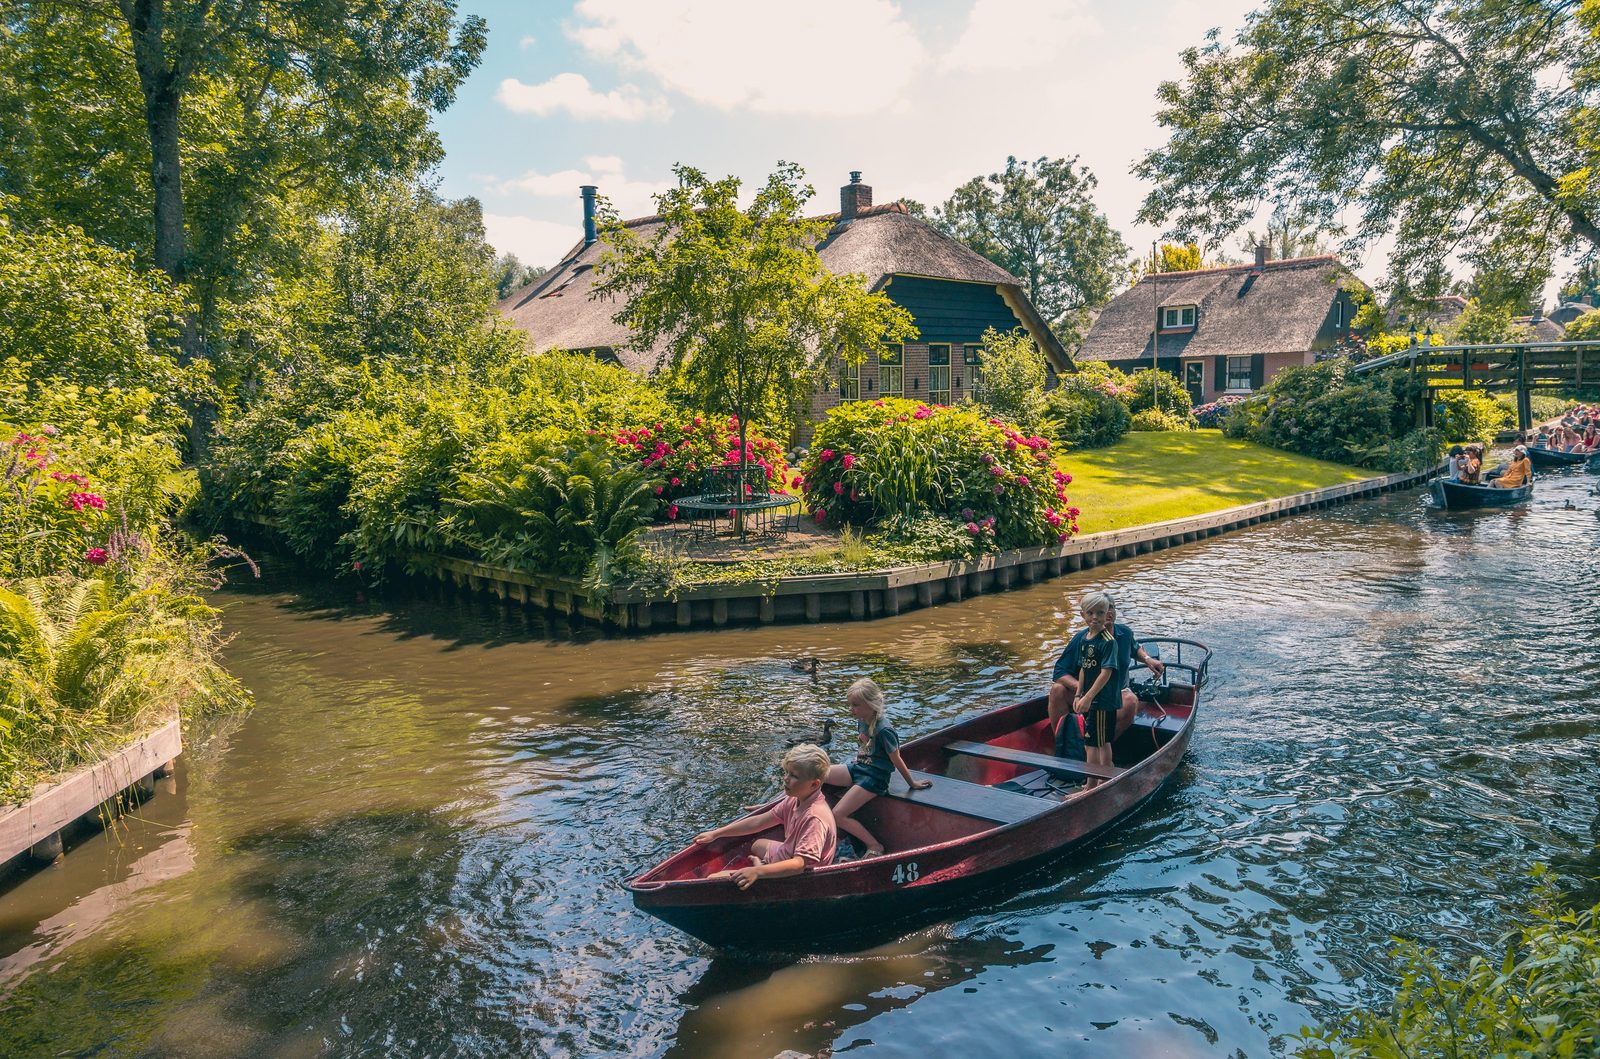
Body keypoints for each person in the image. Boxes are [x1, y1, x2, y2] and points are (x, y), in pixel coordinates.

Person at [695, 743, 836, 889]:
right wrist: (717, 833)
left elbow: (799, 864)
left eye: (794, 776)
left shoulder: (814, 818)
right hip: (788, 853)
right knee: (757, 845)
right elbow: (759, 822)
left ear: (814, 784)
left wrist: (757, 872)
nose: (786, 779)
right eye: (786, 772)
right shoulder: (794, 799)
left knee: (712, 879)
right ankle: (766, 866)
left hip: (801, 874)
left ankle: (766, 869)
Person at [823, 677, 929, 858]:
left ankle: (874, 845)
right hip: (859, 768)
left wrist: (912, 783)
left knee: (838, 814)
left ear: (871, 705)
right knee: (817, 773)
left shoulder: (884, 730)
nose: (851, 709)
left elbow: (896, 759)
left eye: (855, 705)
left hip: (874, 778)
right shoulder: (862, 720)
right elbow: (865, 749)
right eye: (850, 705)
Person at [1050, 591, 1123, 787]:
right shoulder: (1085, 638)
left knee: (1094, 744)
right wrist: (1079, 693)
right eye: (1090, 613)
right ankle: (1102, 779)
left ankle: (1094, 784)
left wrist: (1089, 697)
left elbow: (1106, 673)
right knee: (1097, 742)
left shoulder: (1108, 641)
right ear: (1083, 615)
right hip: (1092, 698)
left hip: (1102, 700)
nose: (1095, 618)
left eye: (1100, 613)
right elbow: (1084, 668)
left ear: (1107, 614)